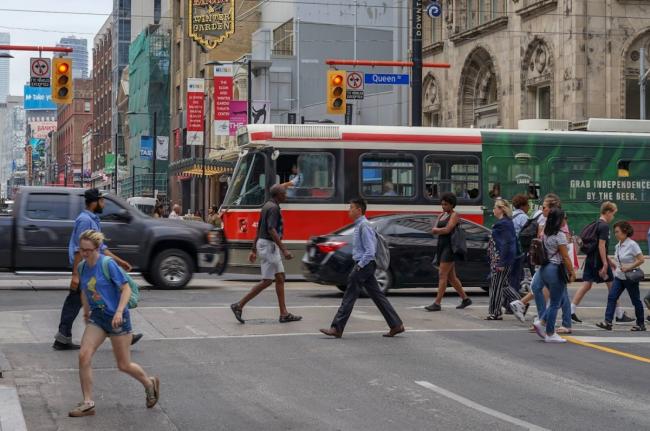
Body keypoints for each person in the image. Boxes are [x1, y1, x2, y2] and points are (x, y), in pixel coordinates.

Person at [68, 230, 159, 417]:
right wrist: (86, 312)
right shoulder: (83, 267)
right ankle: (88, 403)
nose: (83, 254)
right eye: (81, 250)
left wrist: (118, 312)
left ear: (97, 248)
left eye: (87, 250)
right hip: (98, 318)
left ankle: (149, 383)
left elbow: (125, 289)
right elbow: (85, 290)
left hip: (118, 317)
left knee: (123, 365)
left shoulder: (107, 264)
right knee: (84, 356)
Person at [53, 188, 142, 351]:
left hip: (93, 266)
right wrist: (76, 275)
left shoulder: (91, 219)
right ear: (95, 202)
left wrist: (119, 261)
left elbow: (100, 247)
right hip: (87, 267)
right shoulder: (86, 221)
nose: (104, 204)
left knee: (84, 301)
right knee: (83, 301)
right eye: (102, 201)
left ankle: (63, 336)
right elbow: (80, 249)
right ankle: (121, 334)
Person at [320, 198, 404, 338]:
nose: (349, 210)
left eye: (351, 208)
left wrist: (359, 266)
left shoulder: (364, 226)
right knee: (377, 296)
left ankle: (337, 328)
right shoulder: (361, 225)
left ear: (359, 210)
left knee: (349, 296)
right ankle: (396, 325)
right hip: (366, 266)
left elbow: (370, 251)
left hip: (363, 265)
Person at [230, 184, 302, 323]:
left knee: (279, 278)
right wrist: (284, 249)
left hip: (266, 245)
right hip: (269, 246)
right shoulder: (273, 208)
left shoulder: (266, 206)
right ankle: (239, 305)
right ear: (277, 195)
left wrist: (253, 249)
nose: (286, 195)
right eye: (284, 193)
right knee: (268, 281)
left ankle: (283, 313)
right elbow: (271, 229)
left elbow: (259, 229)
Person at [571, 201, 633, 323]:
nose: (613, 217)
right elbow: (601, 246)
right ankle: (619, 314)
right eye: (613, 214)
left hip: (591, 259)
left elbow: (598, 246)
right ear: (608, 212)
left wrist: (608, 261)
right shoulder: (604, 226)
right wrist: (605, 263)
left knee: (587, 284)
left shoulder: (596, 224)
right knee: (613, 286)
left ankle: (571, 310)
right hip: (599, 261)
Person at [532, 208, 577, 343]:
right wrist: (572, 272)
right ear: (559, 220)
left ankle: (542, 322)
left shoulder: (545, 232)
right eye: (564, 217)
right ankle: (550, 333)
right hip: (555, 269)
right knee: (555, 303)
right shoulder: (560, 235)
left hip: (544, 269)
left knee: (557, 299)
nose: (565, 220)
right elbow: (565, 256)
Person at [425, 193, 472, 311]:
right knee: (451, 277)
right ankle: (465, 299)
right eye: (442, 204)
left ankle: (437, 303)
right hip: (441, 246)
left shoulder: (455, 215)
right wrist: (438, 230)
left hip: (450, 247)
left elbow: (448, 229)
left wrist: (437, 230)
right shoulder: (441, 215)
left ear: (452, 204)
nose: (443, 206)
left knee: (442, 274)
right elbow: (435, 229)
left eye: (445, 204)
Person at [596, 221, 646, 331]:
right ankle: (607, 322)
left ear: (625, 231)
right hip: (619, 276)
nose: (616, 234)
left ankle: (641, 324)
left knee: (635, 300)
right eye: (615, 232)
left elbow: (641, 259)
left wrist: (629, 267)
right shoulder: (618, 245)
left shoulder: (632, 244)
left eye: (617, 231)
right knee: (612, 297)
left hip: (630, 277)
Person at [486, 199, 521, 320]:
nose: (493, 210)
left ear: (501, 209)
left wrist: (501, 262)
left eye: (495, 208)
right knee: (504, 285)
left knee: (496, 285)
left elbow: (506, 244)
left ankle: (495, 312)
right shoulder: (505, 222)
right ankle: (521, 303)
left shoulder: (504, 223)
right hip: (500, 258)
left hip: (501, 259)